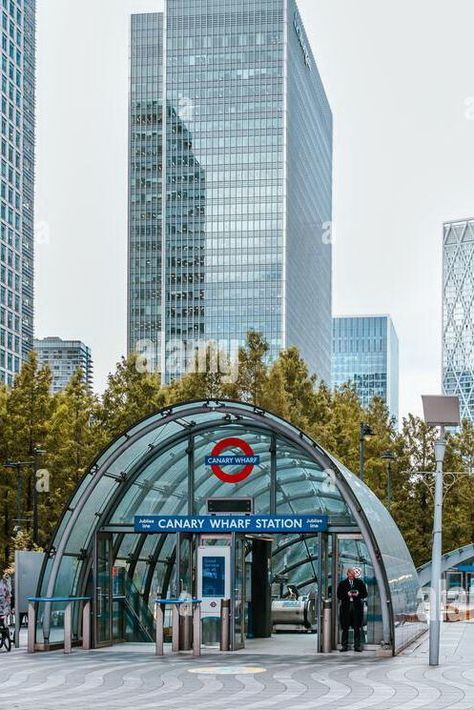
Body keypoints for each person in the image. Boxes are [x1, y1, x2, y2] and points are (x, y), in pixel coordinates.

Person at [337, 568, 367, 652]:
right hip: (346, 607)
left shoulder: (359, 583)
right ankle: (344, 646)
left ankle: (357, 646)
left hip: (356, 607)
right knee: (345, 627)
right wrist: (347, 594)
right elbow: (339, 595)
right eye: (350, 576)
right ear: (347, 575)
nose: (351, 578)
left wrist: (358, 594)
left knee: (357, 627)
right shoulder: (342, 584)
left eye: (353, 576)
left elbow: (365, 594)